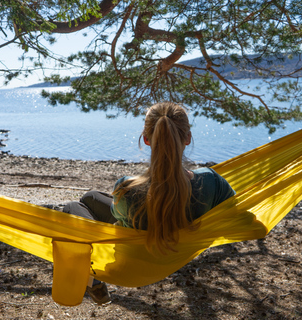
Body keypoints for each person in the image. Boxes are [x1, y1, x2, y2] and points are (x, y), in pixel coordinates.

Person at [62, 101, 236, 304]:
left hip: (129, 266)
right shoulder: (211, 182)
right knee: (91, 197)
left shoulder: (126, 189)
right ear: (188, 138)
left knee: (72, 208)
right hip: (174, 257)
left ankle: (92, 279)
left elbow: (119, 213)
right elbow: (239, 213)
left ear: (146, 139)